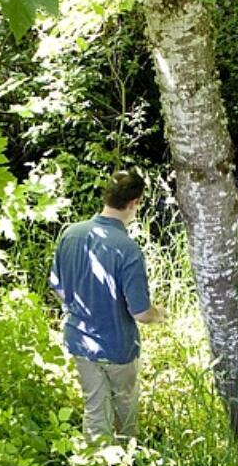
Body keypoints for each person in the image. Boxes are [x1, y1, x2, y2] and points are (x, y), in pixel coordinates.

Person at [50, 171, 166, 440]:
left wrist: (81, 308)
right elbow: (141, 313)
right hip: (118, 346)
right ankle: (128, 461)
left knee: (95, 408)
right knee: (125, 405)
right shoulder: (126, 248)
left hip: (80, 340)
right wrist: (160, 314)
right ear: (134, 203)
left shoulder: (71, 234)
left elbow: (58, 287)